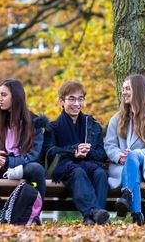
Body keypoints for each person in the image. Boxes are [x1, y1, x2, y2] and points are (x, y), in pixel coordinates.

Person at [46, 81, 110, 225]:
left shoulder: (93, 125)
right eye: (71, 99)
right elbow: (49, 152)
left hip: (89, 164)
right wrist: (73, 150)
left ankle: (91, 218)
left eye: (80, 99)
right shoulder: (53, 127)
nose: (76, 103)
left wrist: (87, 152)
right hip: (64, 167)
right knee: (78, 171)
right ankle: (94, 213)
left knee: (100, 174)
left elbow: (102, 154)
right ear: (61, 101)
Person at [104, 74, 145, 226]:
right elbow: (109, 145)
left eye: (127, 89)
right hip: (120, 167)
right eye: (123, 89)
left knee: (134, 159)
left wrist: (136, 155)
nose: (123, 92)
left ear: (138, 91)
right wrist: (120, 156)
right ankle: (136, 215)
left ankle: (127, 196)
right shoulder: (116, 119)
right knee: (132, 171)